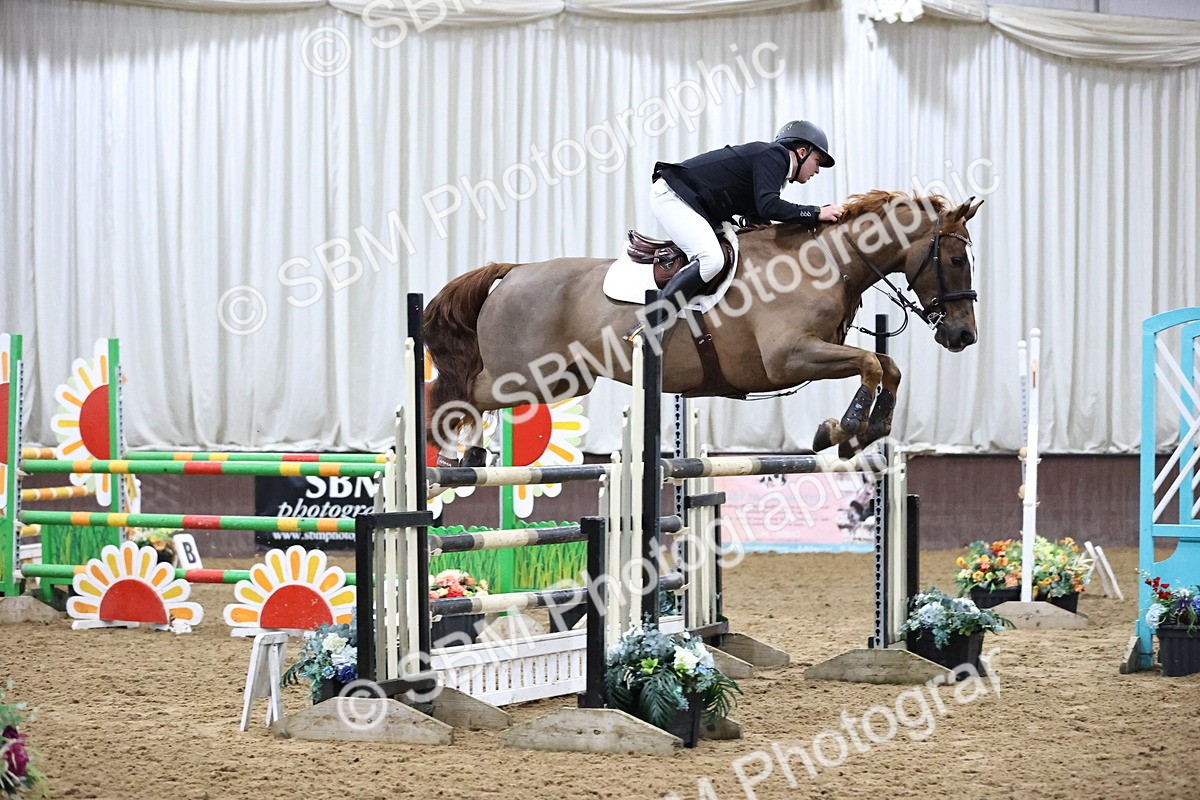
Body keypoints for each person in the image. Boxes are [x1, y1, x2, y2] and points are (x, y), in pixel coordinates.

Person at [627, 120, 844, 341]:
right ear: (801, 152)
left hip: (694, 203)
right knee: (712, 259)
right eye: (817, 161)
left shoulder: (773, 165)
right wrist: (816, 212)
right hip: (673, 196)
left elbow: (759, 219)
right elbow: (769, 206)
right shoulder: (774, 156)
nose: (817, 170)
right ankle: (649, 324)